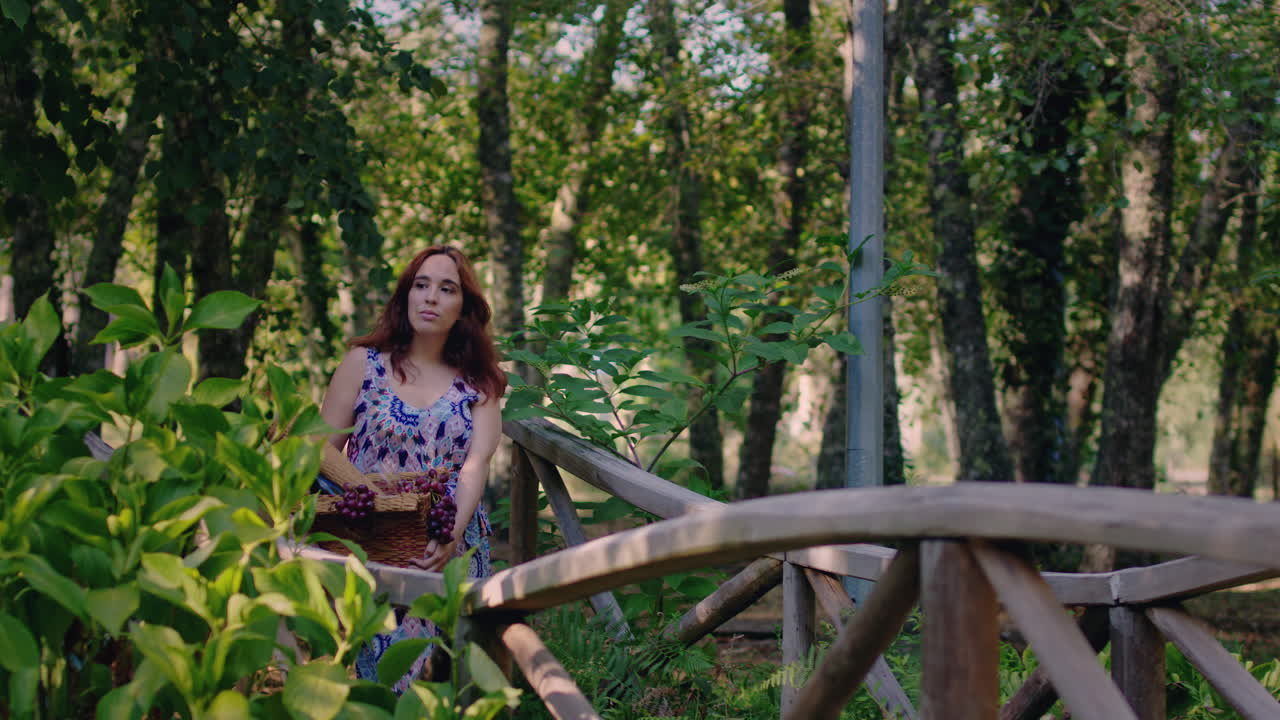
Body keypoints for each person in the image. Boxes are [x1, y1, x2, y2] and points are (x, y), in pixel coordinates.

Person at [319, 245, 506, 691]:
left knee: (444, 680)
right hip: (370, 541)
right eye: (421, 285)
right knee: (380, 678)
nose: (431, 297)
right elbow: (321, 450)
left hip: (447, 543)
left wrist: (451, 534)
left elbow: (476, 464)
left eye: (447, 289)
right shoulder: (363, 364)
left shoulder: (479, 382)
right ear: (406, 295)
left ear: (464, 308)